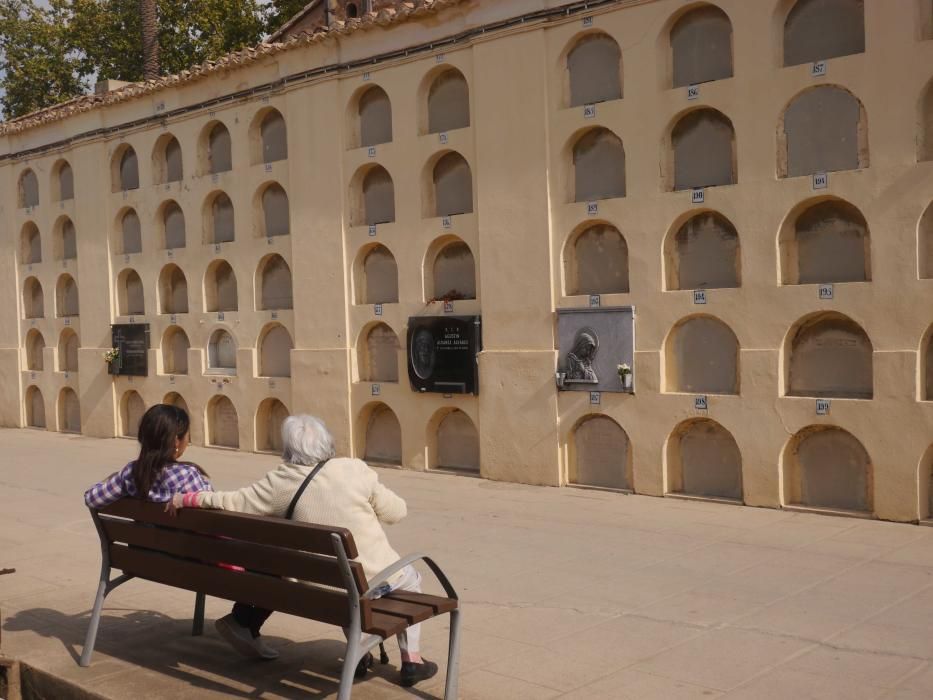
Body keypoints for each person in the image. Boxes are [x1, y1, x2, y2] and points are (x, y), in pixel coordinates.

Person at [169, 414, 438, 687]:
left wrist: (189, 498)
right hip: (369, 583)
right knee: (410, 577)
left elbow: (232, 501)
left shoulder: (280, 481)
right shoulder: (353, 469)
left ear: (288, 449)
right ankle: (411, 660)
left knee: (343, 581)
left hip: (320, 590)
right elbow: (397, 512)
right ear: (328, 443)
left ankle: (359, 655)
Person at [84, 404, 211, 509]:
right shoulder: (187, 476)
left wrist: (113, 477)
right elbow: (212, 516)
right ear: (176, 441)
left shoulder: (131, 473)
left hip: (141, 539)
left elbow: (91, 499)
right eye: (187, 435)